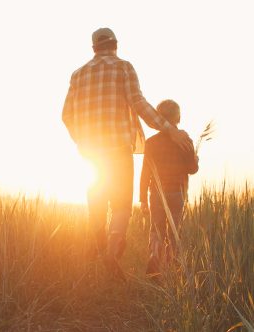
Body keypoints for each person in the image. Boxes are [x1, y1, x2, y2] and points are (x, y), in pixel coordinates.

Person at [62, 28, 191, 279]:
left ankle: (99, 244)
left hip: (91, 152)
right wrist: (169, 130)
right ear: (115, 45)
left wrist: (81, 141)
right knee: (121, 204)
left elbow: (66, 115)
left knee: (97, 201)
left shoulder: (77, 75)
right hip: (119, 149)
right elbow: (139, 103)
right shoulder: (124, 68)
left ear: (93, 48)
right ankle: (111, 247)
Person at [140, 99, 199, 273]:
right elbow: (192, 169)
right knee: (175, 231)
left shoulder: (150, 143)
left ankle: (155, 260)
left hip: (156, 193)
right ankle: (173, 266)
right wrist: (195, 160)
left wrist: (143, 198)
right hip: (178, 193)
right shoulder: (184, 139)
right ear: (178, 117)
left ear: (158, 118)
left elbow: (145, 173)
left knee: (157, 229)